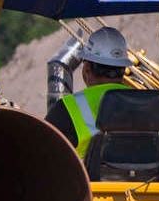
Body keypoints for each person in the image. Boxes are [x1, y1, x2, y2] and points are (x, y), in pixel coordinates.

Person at [44, 26, 132, 158]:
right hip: (151, 178)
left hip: (89, 179)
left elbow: (40, 154)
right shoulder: (150, 102)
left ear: (87, 69)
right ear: (124, 69)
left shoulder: (68, 108)